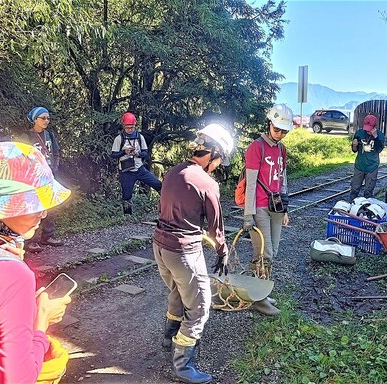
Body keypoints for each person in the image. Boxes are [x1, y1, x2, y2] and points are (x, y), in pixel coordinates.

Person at [0, 141, 72, 383]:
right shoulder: (11, 276)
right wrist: (41, 319)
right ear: (1, 210)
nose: (43, 213)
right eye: (33, 204)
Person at [153, 123, 233, 384]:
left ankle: (170, 336)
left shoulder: (173, 172)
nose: (218, 166)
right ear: (212, 154)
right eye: (219, 160)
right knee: (199, 306)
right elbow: (216, 227)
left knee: (177, 290)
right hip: (183, 251)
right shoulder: (207, 183)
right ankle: (183, 365)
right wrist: (223, 252)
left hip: (160, 245)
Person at [243, 103, 293, 316]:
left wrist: (286, 208)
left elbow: (283, 179)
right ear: (269, 124)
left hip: (276, 206)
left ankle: (261, 292)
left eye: (284, 131)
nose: (280, 134)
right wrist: (248, 215)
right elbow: (251, 183)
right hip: (260, 205)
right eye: (276, 129)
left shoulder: (281, 149)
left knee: (274, 252)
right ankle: (259, 299)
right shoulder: (257, 147)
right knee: (265, 252)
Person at [23, 106, 65, 252]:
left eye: (48, 118)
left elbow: (56, 153)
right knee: (34, 208)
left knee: (51, 206)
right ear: (35, 119)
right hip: (33, 178)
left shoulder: (50, 135)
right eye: (43, 118)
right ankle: (30, 241)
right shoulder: (27, 136)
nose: (46, 121)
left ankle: (47, 236)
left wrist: (55, 168)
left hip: (49, 175)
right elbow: (22, 157)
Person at [111, 112, 162, 214]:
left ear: (135, 126)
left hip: (139, 169)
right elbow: (113, 155)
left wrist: (137, 153)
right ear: (124, 126)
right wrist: (124, 152)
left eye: (132, 127)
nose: (130, 129)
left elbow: (145, 153)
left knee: (158, 185)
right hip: (126, 170)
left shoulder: (140, 137)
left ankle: (166, 209)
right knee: (127, 194)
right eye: (128, 127)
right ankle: (127, 215)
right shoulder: (119, 138)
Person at [349, 114, 385, 202]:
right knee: (354, 189)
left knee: (368, 191)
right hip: (360, 165)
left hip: (372, 166)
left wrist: (375, 137)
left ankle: (366, 208)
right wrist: (354, 145)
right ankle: (351, 206)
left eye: (370, 128)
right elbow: (354, 150)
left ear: (374, 127)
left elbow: (379, 149)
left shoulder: (380, 135)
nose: (368, 130)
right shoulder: (359, 133)